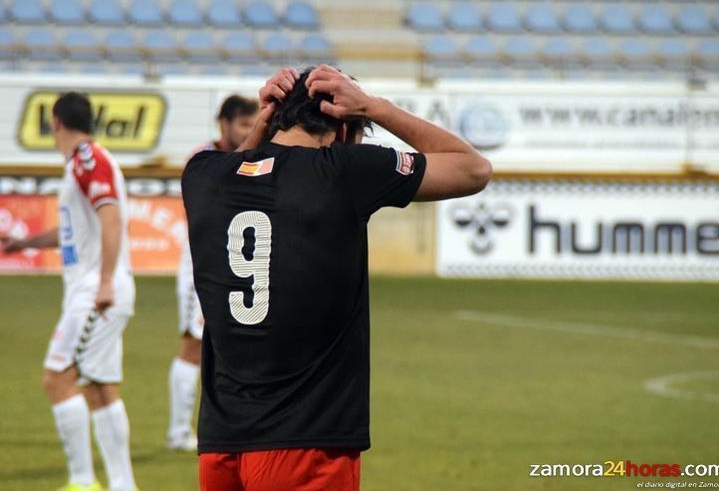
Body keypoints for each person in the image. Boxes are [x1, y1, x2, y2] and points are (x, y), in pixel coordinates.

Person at [182, 65, 492, 491]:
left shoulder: (202, 175)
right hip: (305, 442)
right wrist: (374, 107)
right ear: (345, 130)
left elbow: (245, 166)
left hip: (221, 443)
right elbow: (473, 169)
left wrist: (263, 122)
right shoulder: (344, 171)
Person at [0, 92, 138, 491]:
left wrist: (107, 280)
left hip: (96, 289)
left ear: (56, 123)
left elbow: (110, 216)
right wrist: (24, 244)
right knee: (98, 386)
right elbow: (75, 234)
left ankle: (81, 481)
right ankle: (122, 484)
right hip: (100, 286)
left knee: (56, 377)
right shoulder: (83, 163)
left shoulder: (86, 160)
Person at [168, 95, 259, 451]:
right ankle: (177, 432)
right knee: (193, 345)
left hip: (239, 265)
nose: (248, 131)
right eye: (242, 124)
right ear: (223, 123)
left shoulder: (254, 157)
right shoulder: (204, 160)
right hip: (202, 266)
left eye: (253, 124)